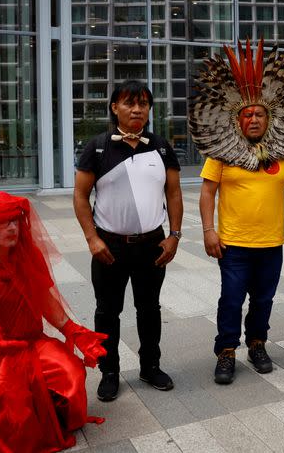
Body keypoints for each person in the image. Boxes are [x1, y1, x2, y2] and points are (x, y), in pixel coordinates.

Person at [191, 39, 284, 384]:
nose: (253, 118)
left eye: (259, 113)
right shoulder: (220, 152)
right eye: (247, 114)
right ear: (237, 118)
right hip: (232, 244)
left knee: (263, 299)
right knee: (231, 300)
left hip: (270, 242)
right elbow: (207, 192)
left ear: (269, 117)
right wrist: (208, 230)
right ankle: (226, 351)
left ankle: (257, 343)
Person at [0, 192, 107, 451]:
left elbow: (46, 302)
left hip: (31, 342)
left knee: (73, 377)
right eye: (3, 222)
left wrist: (74, 330)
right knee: (8, 406)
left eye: (16, 221)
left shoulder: (27, 257)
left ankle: (37, 400)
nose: (13, 227)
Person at [74, 80, 183, 402]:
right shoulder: (97, 147)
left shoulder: (161, 146)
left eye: (143, 104)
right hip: (109, 245)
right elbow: (80, 196)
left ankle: (150, 366)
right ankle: (109, 372)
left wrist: (174, 236)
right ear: (114, 108)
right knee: (107, 312)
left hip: (152, 243)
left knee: (149, 309)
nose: (137, 109)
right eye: (129, 103)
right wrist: (92, 239)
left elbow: (174, 193)